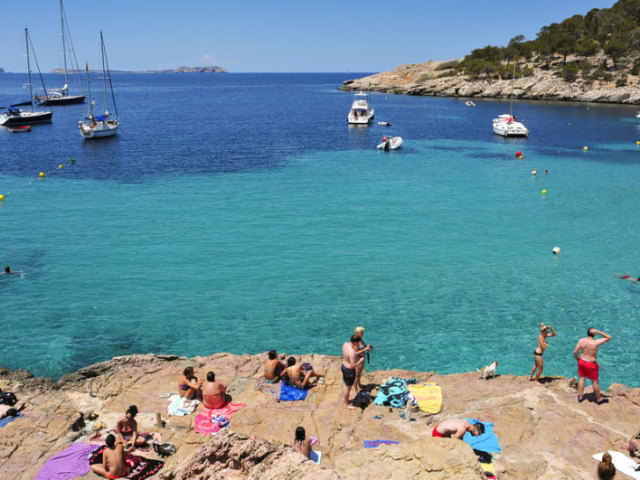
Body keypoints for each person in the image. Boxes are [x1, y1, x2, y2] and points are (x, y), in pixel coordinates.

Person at [574, 327, 612, 404]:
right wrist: (598, 331)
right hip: (590, 364)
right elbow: (609, 337)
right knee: (595, 381)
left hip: (582, 361)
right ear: (594, 334)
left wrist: (577, 359)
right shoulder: (595, 342)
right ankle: (599, 399)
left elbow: (575, 352)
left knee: (582, 379)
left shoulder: (581, 340)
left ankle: (580, 397)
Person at [342, 335, 371, 410]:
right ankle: (346, 404)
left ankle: (346, 400)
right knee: (347, 388)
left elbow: (349, 355)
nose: (357, 345)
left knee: (345, 385)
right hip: (349, 370)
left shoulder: (345, 345)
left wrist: (358, 353)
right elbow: (352, 366)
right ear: (354, 342)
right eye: (357, 343)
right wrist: (360, 361)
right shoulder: (351, 352)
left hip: (343, 366)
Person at [353, 326, 371, 391]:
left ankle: (359, 384)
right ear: (358, 333)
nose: (363, 333)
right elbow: (356, 352)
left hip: (362, 358)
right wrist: (365, 349)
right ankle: (355, 388)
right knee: (357, 375)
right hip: (357, 360)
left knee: (360, 373)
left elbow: (363, 347)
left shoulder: (360, 339)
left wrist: (367, 346)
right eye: (361, 332)